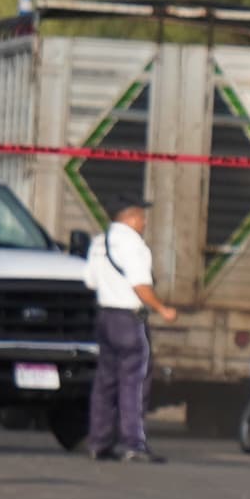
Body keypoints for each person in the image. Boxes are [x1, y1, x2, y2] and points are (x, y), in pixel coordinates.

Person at [80, 197, 181, 462]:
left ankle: (99, 442)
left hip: (105, 316)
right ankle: (133, 443)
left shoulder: (99, 242)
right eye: (142, 217)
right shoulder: (134, 245)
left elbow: (90, 281)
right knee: (134, 382)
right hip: (129, 319)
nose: (145, 222)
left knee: (105, 381)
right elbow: (140, 285)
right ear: (130, 218)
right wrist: (162, 309)